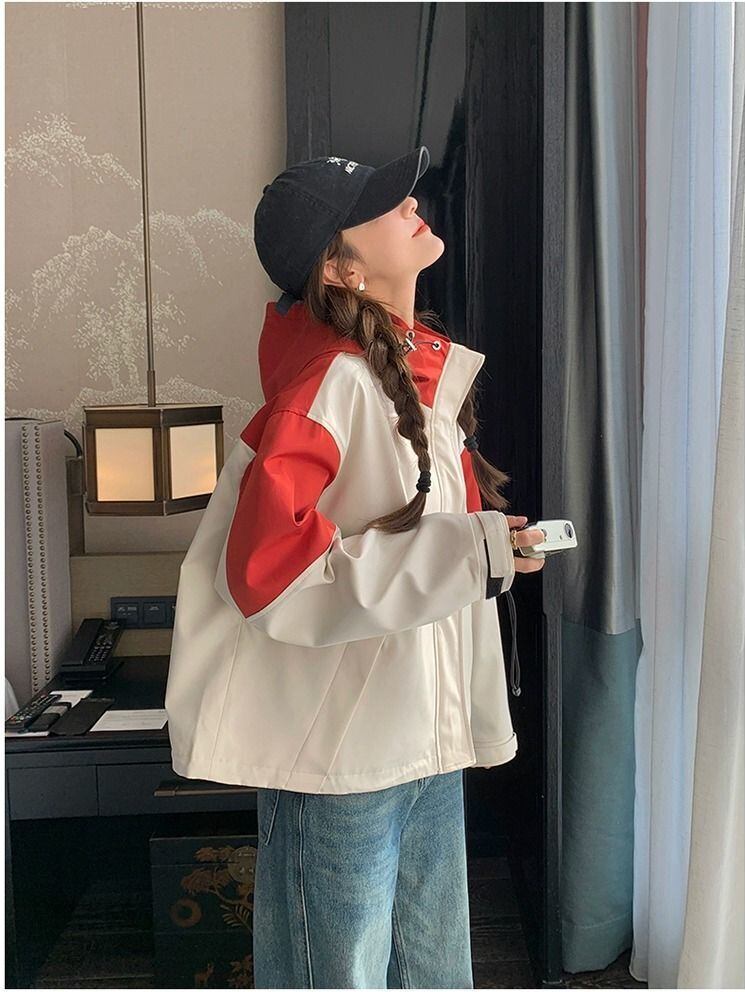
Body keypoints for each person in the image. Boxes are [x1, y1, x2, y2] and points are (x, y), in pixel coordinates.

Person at [164, 145, 545, 989]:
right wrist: (465, 553)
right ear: (339, 267)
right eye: (381, 201)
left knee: (432, 974)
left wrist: (487, 552)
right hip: (343, 761)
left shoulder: (404, 376)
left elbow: (408, 555)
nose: (410, 202)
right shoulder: (328, 388)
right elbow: (273, 578)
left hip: (418, 739)